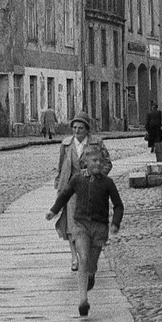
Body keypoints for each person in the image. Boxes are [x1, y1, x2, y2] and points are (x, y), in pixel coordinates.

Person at [47, 144, 123, 317]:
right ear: (85, 162)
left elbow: (118, 205)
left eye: (100, 161)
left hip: (99, 228)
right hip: (80, 225)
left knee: (92, 264)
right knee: (83, 258)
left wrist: (115, 224)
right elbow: (64, 195)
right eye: (94, 161)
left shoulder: (108, 183)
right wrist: (53, 211)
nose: (97, 164)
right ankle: (83, 300)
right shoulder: (77, 180)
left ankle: (91, 274)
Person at [54, 112, 107, 271]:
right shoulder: (66, 145)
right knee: (71, 224)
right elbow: (61, 166)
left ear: (87, 129)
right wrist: (59, 186)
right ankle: (74, 257)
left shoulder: (96, 144)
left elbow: (107, 163)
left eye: (80, 128)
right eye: (74, 128)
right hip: (71, 188)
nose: (77, 131)